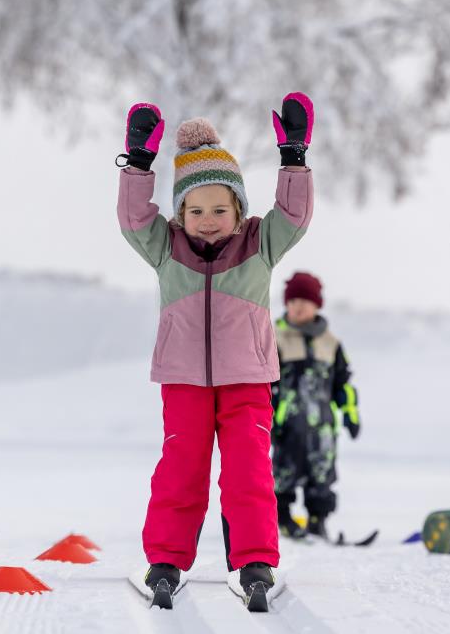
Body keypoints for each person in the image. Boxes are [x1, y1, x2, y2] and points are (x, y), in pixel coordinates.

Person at [117, 94, 314, 607]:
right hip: (184, 380)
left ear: (238, 210)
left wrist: (293, 157)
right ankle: (165, 559)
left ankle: (255, 561)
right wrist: (139, 163)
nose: (208, 220)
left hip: (247, 379)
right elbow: (134, 219)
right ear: (181, 212)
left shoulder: (259, 244)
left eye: (220, 209)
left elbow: (294, 215)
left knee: (248, 470)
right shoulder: (167, 247)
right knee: (180, 469)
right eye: (196, 210)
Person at [271, 271, 361, 541]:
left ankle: (317, 521)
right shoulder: (275, 338)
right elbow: (265, 385)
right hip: (287, 425)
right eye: (292, 301)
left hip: (322, 426)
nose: (298, 306)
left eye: (304, 301)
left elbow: (343, 384)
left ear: (317, 305)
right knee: (284, 471)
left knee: (322, 473)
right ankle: (283, 518)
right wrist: (269, 418)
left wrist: (350, 414)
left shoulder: (330, 343)